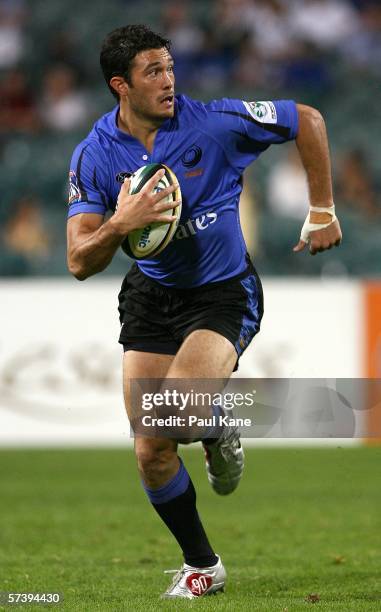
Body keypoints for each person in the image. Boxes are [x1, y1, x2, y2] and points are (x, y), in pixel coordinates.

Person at [66, 24, 342, 599]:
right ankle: (203, 565)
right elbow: (79, 261)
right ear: (121, 85)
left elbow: (307, 119)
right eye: (153, 72)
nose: (169, 80)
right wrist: (123, 222)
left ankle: (213, 425)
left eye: (170, 66)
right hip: (150, 294)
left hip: (222, 292)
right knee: (150, 450)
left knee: (176, 418)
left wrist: (322, 209)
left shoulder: (213, 123)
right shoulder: (94, 154)